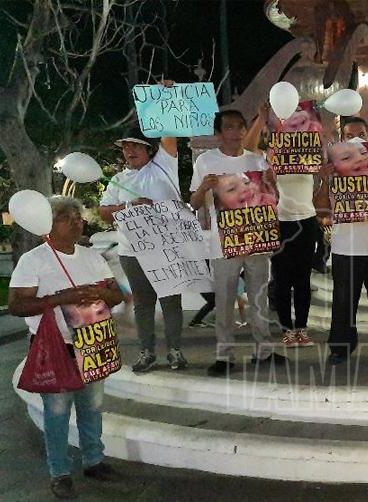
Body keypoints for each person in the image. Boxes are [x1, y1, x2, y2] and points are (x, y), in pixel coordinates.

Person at [9, 196, 125, 499]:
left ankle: (94, 460)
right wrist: (61, 299)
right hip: (55, 347)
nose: (76, 223)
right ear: (48, 223)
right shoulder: (33, 260)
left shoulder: (93, 257)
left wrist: (98, 294)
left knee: (92, 407)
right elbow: (16, 305)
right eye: (66, 218)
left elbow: (117, 296)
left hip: (93, 343)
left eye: (78, 217)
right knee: (57, 413)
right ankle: (59, 472)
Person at [191, 110, 287, 376]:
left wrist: (272, 184)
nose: (235, 132)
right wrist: (203, 188)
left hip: (256, 241)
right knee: (224, 301)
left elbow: (272, 200)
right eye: (229, 127)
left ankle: (264, 350)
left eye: (240, 126)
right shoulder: (205, 162)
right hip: (223, 245)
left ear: (246, 130)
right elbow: (194, 203)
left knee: (259, 299)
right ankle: (224, 355)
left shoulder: (257, 161)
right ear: (219, 133)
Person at [99, 103, 186, 373]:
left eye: (136, 145)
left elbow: (169, 136)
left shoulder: (164, 168)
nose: (130, 151)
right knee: (142, 304)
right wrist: (129, 206)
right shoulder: (117, 180)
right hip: (131, 252)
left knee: (171, 301)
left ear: (150, 149)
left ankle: (175, 351)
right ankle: (147, 352)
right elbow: (103, 212)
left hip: (166, 250)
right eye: (126, 146)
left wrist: (165, 97)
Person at [316, 139, 368, 365]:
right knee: (343, 302)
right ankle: (340, 348)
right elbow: (320, 211)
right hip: (345, 249)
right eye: (346, 156)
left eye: (362, 148)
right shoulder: (333, 178)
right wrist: (324, 181)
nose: (357, 158)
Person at [244, 102, 318, 349]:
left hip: (306, 220)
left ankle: (302, 329)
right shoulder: (266, 157)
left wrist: (314, 117)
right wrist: (261, 119)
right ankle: (287, 330)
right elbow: (247, 147)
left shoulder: (307, 150)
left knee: (303, 280)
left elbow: (326, 143)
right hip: (278, 222)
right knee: (282, 280)